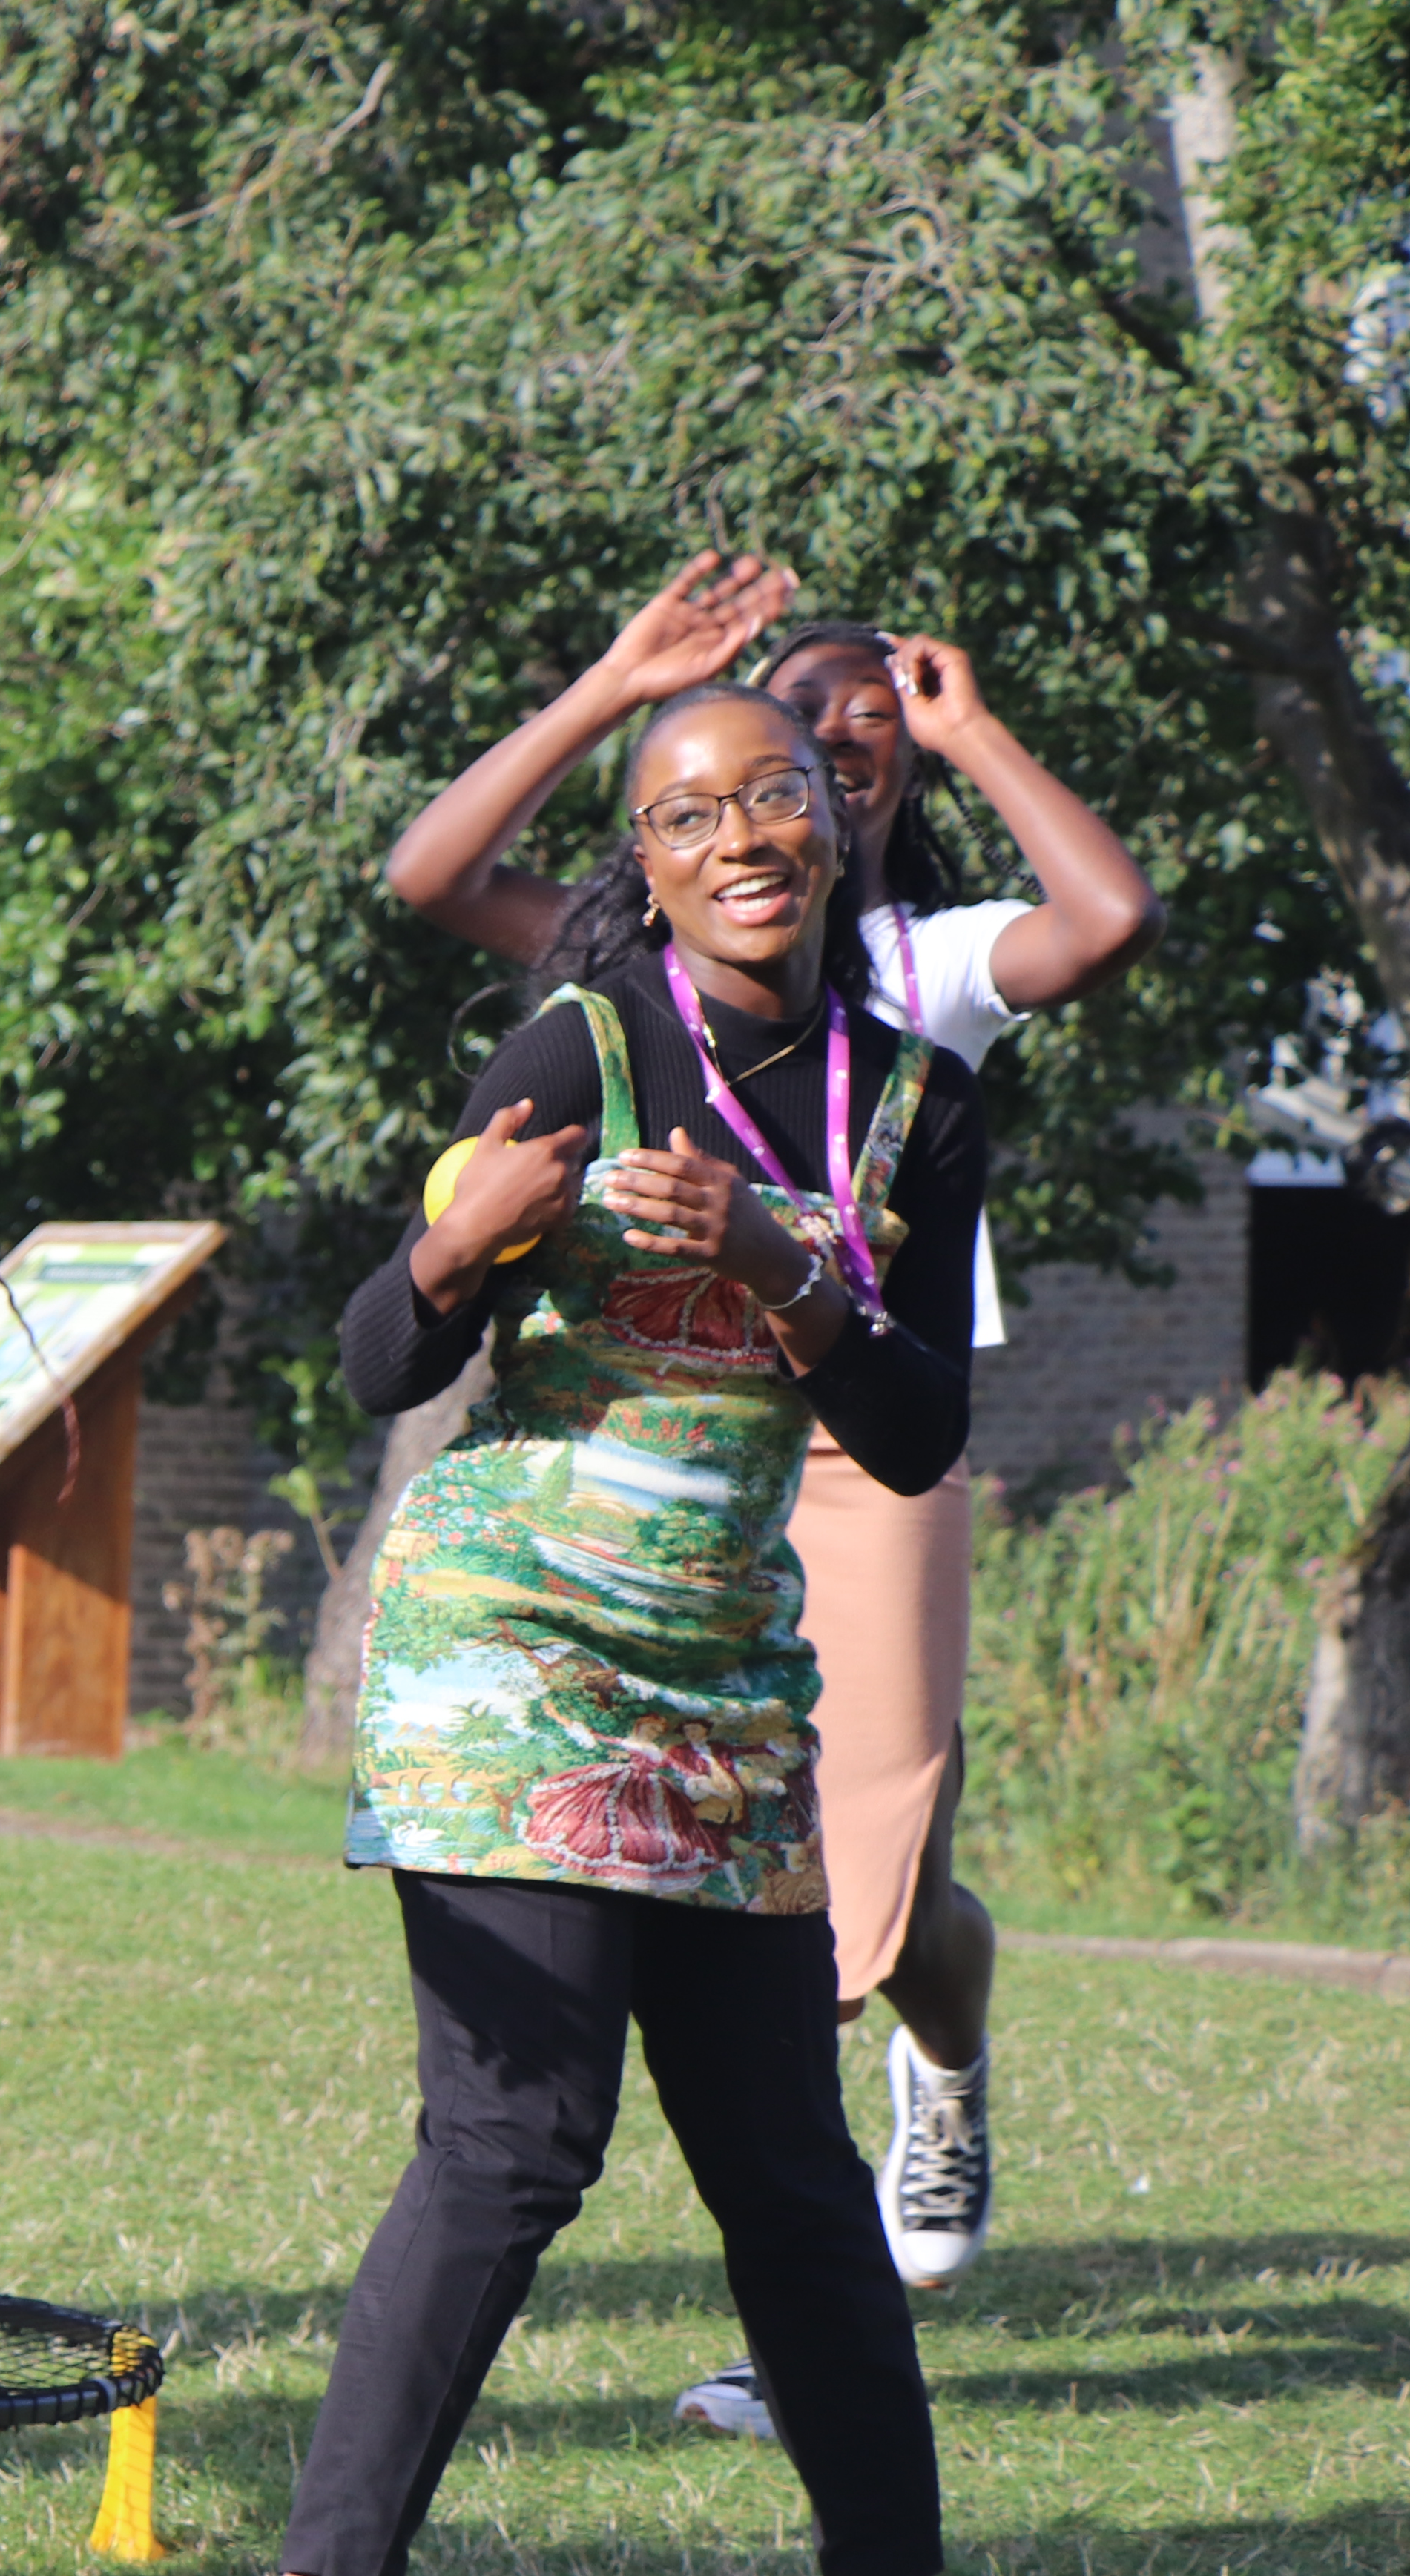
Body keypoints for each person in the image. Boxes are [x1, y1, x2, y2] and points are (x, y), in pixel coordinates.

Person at [208, 682, 987, 2576]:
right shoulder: (585, 1044)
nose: (740, 840)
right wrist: (451, 1251)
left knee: (791, 2167)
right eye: (687, 815)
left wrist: (788, 1272)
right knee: (516, 2138)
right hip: (516, 1658)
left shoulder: (916, 1103)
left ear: (837, 817)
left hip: (722, 1676)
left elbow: (920, 1433)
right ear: (641, 861)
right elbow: (381, 1360)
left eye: (773, 797)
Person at [383, 560, 1162, 2386]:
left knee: (859, 1868)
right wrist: (615, 685)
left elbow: (1111, 915)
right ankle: (817, 2294)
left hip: (866, 1432)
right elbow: (430, 874)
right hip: (654, 1444)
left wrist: (977, 728)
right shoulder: (637, 968)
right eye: (780, 726)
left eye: (851, 738)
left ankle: (915, 2111)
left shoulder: (931, 965)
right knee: (794, 1901)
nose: (808, 757)